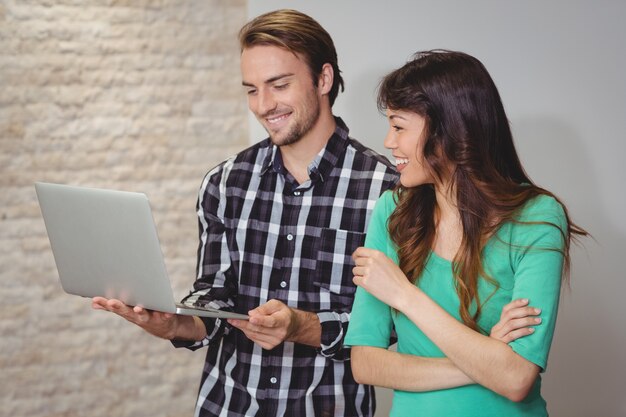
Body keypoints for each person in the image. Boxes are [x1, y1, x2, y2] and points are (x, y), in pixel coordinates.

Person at [91, 12, 540, 417]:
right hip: (225, 404)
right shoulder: (224, 182)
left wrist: (300, 326)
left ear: (323, 79)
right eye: (252, 89)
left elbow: (396, 332)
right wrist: (176, 323)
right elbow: (215, 298)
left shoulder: (392, 191)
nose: (264, 104)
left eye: (279, 84)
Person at [345, 50, 588, 417]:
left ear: (448, 130)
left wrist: (405, 296)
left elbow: (516, 380)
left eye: (398, 126)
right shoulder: (392, 213)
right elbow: (365, 363)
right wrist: (485, 358)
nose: (388, 142)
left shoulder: (537, 218)